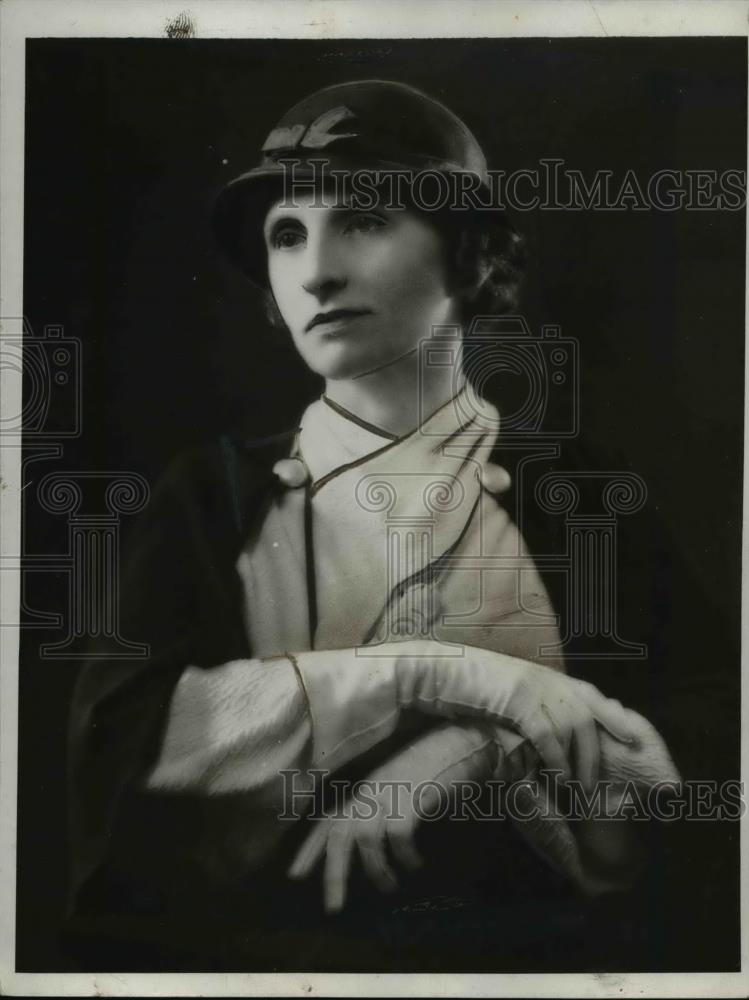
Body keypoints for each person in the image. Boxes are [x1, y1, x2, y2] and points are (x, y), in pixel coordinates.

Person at [65, 80, 679, 971]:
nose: (315, 270)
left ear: (470, 256)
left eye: (362, 221)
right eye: (287, 235)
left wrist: (463, 753)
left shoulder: (579, 493)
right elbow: (124, 743)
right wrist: (464, 679)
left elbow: (684, 769)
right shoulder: (214, 497)